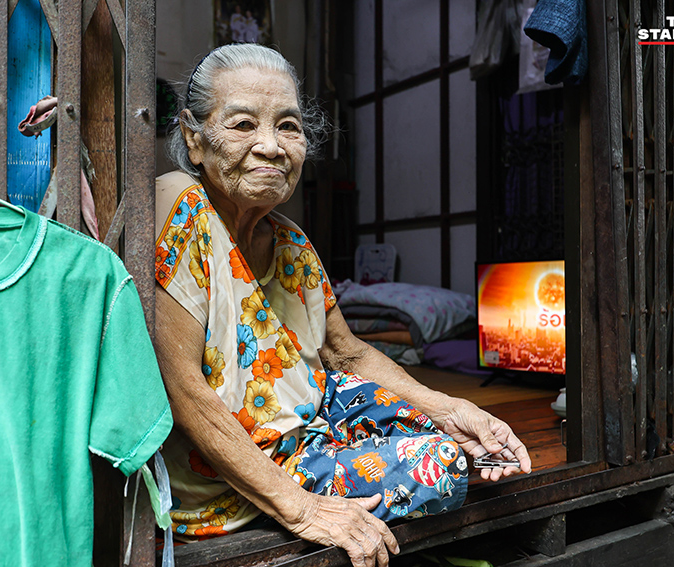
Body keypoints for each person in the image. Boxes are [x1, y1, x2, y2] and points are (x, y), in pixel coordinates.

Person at [154, 43, 532, 567]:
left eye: (288, 126)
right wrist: (304, 510)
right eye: (243, 125)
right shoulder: (178, 201)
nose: (271, 146)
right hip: (234, 477)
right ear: (194, 140)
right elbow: (183, 391)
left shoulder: (291, 242)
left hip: (307, 429)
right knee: (440, 463)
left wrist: (451, 407)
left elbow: (347, 355)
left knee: (443, 428)